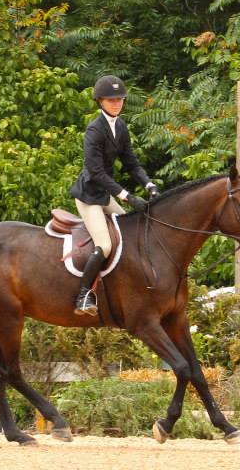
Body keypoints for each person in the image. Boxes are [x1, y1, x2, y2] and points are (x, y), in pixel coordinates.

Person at [69, 75, 160, 316]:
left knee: (131, 235)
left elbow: (131, 163)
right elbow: (96, 172)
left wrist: (149, 184)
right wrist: (127, 196)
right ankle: (83, 296)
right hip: (89, 196)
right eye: (111, 100)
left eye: (119, 99)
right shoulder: (94, 130)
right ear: (100, 101)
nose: (116, 103)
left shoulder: (120, 127)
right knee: (106, 245)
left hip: (105, 195)